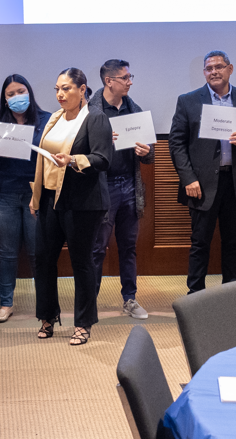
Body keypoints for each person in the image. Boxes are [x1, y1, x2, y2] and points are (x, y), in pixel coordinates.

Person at [168, 50, 236, 294]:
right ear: (204, 73)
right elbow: (176, 143)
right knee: (200, 243)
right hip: (200, 184)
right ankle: (195, 296)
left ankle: (230, 294)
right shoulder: (188, 101)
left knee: (233, 243)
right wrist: (188, 178)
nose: (214, 72)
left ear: (230, 69)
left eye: (219, 67)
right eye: (209, 68)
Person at [30, 68, 112, 346]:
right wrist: (36, 197)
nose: (60, 94)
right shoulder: (54, 118)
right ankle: (47, 316)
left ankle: (83, 323)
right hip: (51, 198)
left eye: (66, 88)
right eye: (57, 89)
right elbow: (43, 160)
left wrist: (74, 160)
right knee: (43, 259)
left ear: (83, 89)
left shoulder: (95, 118)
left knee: (81, 262)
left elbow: (102, 159)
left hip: (83, 202)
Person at [0, 74, 51, 323]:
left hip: (36, 192)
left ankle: (45, 303)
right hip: (2, 192)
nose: (17, 97)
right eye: (11, 94)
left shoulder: (46, 119)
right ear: (5, 99)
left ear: (29, 92)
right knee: (7, 252)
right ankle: (6, 303)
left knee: (36, 251)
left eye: (21, 91)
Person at [87, 59, 154, 320]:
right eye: (125, 77)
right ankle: (89, 303)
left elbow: (150, 151)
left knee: (129, 246)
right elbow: (78, 149)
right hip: (102, 188)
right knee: (97, 248)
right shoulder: (90, 111)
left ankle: (130, 299)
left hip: (129, 185)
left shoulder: (133, 109)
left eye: (130, 76)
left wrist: (147, 151)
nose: (130, 82)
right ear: (109, 81)